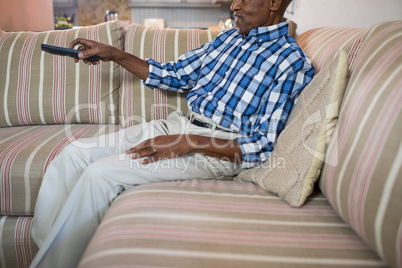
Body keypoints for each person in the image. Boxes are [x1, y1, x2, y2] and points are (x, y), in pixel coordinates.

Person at [30, 0, 314, 267]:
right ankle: (48, 255)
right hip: (177, 126)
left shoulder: (292, 63)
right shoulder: (229, 39)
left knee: (100, 175)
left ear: (275, 3)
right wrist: (114, 53)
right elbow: (174, 75)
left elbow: (262, 146)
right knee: (73, 155)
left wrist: (187, 141)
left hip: (214, 148)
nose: (234, 5)